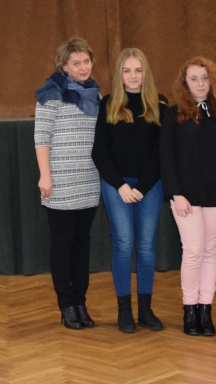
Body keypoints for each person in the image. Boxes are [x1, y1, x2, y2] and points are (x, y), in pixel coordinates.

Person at [160, 57, 216, 337]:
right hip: (186, 196)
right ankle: (189, 309)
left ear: (212, 81)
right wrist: (176, 194)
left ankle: (205, 309)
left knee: (210, 251)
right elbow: (167, 157)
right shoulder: (173, 115)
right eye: (194, 79)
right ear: (185, 83)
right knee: (193, 251)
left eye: (205, 78)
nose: (200, 83)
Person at [91, 48, 167, 333]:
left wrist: (143, 187)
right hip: (117, 185)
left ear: (145, 72)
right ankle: (124, 311)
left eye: (138, 70)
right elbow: (100, 151)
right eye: (127, 71)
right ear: (119, 74)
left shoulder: (160, 103)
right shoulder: (109, 103)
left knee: (146, 245)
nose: (133, 76)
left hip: (150, 185)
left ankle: (145, 309)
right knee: (123, 244)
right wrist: (121, 185)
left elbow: (162, 152)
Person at [34, 37, 102, 330]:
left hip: (88, 180)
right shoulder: (51, 94)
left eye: (86, 61)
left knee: (82, 244)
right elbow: (41, 137)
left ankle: (81, 303)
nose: (83, 67)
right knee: (62, 244)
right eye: (76, 63)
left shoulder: (96, 95)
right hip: (60, 182)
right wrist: (45, 175)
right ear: (64, 66)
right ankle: (67, 305)